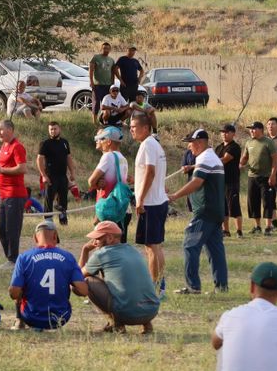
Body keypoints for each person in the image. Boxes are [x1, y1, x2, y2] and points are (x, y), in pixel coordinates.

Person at [169, 129, 228, 295]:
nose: (189, 146)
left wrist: (174, 195)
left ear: (200, 142)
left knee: (190, 245)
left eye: (191, 142)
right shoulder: (211, 157)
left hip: (205, 211)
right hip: (216, 211)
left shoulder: (205, 158)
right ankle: (221, 287)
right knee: (215, 249)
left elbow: (196, 182)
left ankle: (193, 286)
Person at [79, 220, 160, 334]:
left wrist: (85, 250)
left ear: (110, 238)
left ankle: (116, 324)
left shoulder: (102, 254)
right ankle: (146, 324)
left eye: (98, 238)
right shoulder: (132, 250)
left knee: (86, 281)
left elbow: (78, 277)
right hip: (151, 311)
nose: (94, 242)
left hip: (127, 314)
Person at [8, 220, 88, 331]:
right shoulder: (68, 257)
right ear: (55, 236)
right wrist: (71, 285)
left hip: (31, 317)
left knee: (18, 285)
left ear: (35, 238)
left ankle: (19, 320)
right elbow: (84, 291)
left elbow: (14, 293)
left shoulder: (24, 258)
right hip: (61, 318)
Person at [130, 112, 169, 296]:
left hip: (151, 203)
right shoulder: (154, 144)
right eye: (130, 127)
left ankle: (155, 287)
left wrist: (141, 199)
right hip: (157, 200)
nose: (131, 130)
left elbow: (150, 172)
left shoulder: (148, 145)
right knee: (154, 245)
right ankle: (160, 286)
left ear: (145, 128)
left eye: (134, 127)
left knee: (152, 247)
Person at [0, 119, 29, 268]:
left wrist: (1, 170)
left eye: (1, 129)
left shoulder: (17, 147)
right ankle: (10, 258)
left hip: (15, 194)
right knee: (1, 228)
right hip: (4, 194)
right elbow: (5, 166)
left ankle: (13, 260)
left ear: (10, 130)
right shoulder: (3, 146)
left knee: (12, 228)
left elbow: (22, 168)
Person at [88, 126, 131, 240]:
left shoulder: (108, 156)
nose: (100, 141)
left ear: (109, 141)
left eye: (102, 139)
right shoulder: (123, 158)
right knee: (119, 245)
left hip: (109, 208)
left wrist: (96, 184)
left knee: (105, 244)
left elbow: (91, 181)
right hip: (122, 208)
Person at [240, 121, 277, 236]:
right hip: (252, 176)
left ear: (260, 130)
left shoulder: (268, 142)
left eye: (254, 129)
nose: (251, 131)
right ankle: (257, 226)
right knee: (253, 202)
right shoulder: (249, 142)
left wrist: (273, 175)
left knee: (267, 202)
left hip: (266, 177)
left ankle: (268, 227)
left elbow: (275, 160)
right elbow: (244, 157)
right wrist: (241, 164)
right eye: (250, 129)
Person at [37, 121, 76, 225]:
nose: (53, 131)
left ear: (59, 129)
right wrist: (43, 175)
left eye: (55, 129)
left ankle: (63, 221)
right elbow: (39, 159)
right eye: (51, 129)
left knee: (63, 199)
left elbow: (68, 158)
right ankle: (48, 222)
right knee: (49, 199)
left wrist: (72, 172)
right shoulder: (45, 143)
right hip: (50, 176)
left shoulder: (65, 142)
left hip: (62, 176)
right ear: (48, 131)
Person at [216, 123, 244, 238]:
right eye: (222, 132)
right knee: (222, 207)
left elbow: (225, 159)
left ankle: (239, 231)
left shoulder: (234, 147)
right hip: (220, 181)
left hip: (231, 181)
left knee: (233, 205)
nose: (224, 134)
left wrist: (211, 161)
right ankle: (225, 230)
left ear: (233, 134)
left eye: (227, 132)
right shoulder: (218, 147)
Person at [88, 42, 116, 125]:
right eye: (104, 48)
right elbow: (91, 70)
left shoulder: (111, 60)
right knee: (96, 103)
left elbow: (113, 72)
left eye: (107, 48)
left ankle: (104, 120)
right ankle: (94, 121)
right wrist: (91, 82)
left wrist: (113, 83)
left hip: (108, 85)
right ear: (101, 49)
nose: (106, 50)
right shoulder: (96, 58)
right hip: (98, 85)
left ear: (110, 49)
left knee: (106, 104)